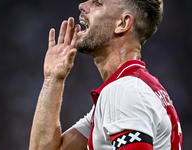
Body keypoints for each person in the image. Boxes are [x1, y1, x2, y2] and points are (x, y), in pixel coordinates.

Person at [29, 0, 183, 149]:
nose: (82, 6)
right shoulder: (132, 88)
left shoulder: (125, 91)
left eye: (98, 3)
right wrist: (52, 80)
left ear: (122, 23)